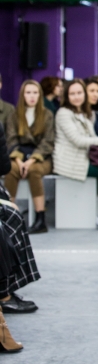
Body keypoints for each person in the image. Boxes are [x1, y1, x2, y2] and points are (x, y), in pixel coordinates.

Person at [53, 79, 98, 232]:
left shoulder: (85, 113)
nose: (76, 97)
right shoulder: (63, 113)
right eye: (72, 94)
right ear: (66, 96)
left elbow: (92, 139)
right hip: (71, 162)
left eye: (79, 93)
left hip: (84, 159)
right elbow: (78, 140)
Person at [0, 121, 40, 322]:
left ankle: (7, 288)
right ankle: (3, 294)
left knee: (11, 214)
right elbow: (4, 164)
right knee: (8, 219)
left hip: (37, 156)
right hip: (18, 158)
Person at [4, 80, 54, 234]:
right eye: (28, 92)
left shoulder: (47, 115)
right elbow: (11, 140)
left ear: (40, 95)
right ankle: (8, 216)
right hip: (18, 156)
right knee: (10, 169)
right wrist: (19, 161)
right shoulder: (14, 115)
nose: (32, 96)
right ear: (22, 95)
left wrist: (32, 160)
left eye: (35, 92)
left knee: (34, 170)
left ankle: (40, 218)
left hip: (41, 157)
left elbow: (48, 142)